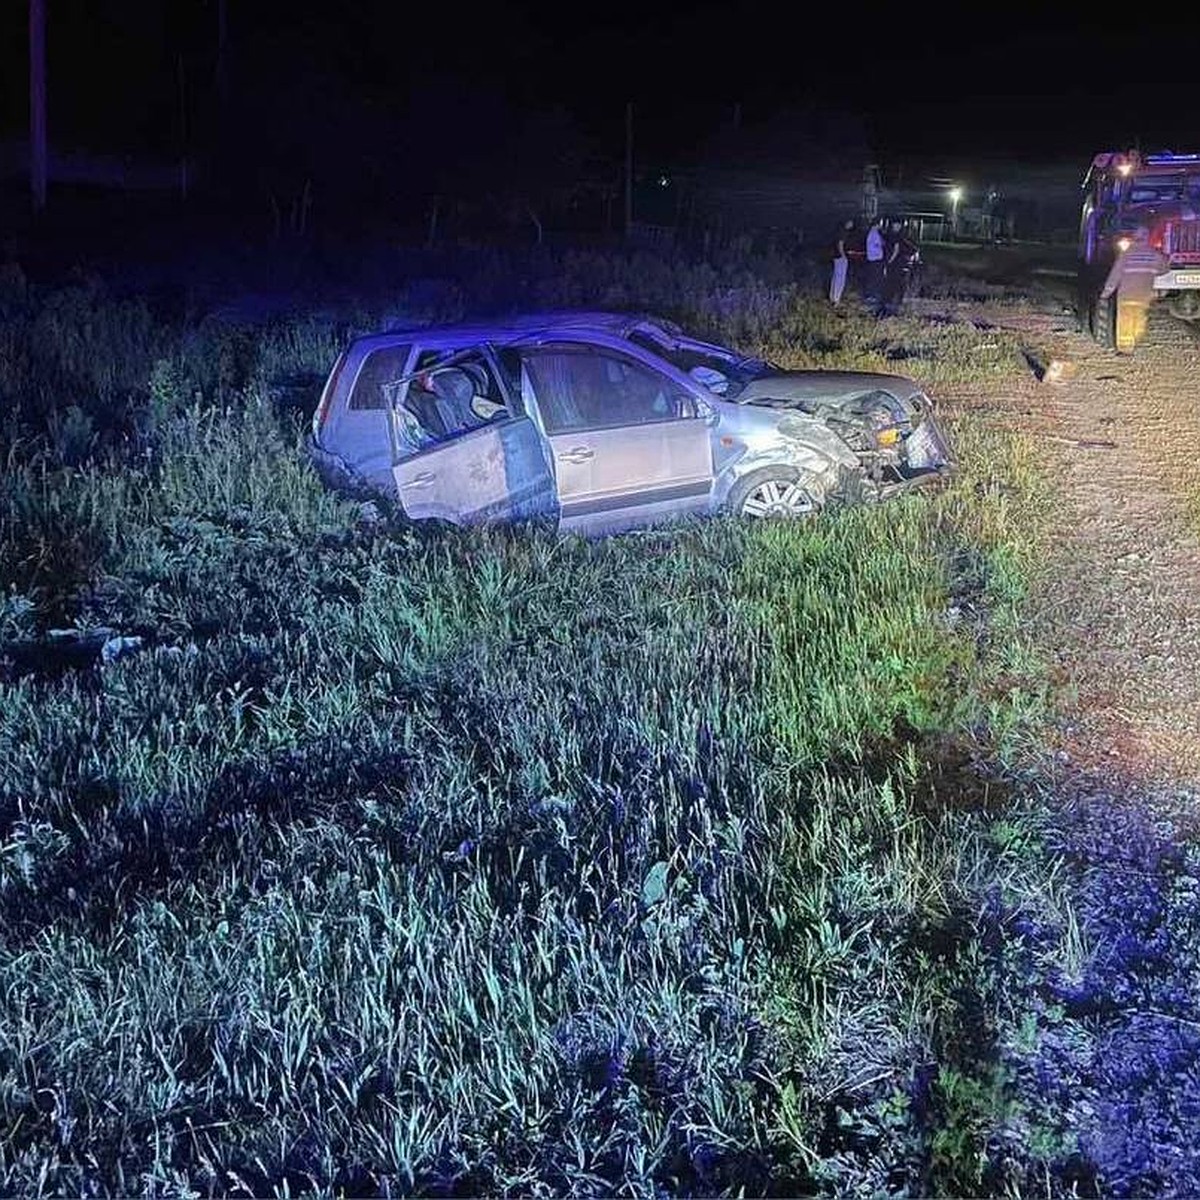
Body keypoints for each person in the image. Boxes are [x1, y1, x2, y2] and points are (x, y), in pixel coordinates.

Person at [828, 218, 855, 306]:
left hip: (836, 257)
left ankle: (832, 297)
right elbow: (840, 244)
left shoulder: (838, 231)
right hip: (840, 257)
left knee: (835, 277)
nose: (852, 224)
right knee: (840, 278)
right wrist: (843, 255)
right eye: (851, 222)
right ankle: (836, 299)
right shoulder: (843, 232)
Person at [864, 216, 886, 315]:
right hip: (875, 259)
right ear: (877, 224)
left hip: (874, 258)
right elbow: (880, 244)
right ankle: (871, 295)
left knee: (874, 277)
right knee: (875, 277)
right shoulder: (874, 233)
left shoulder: (873, 233)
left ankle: (871, 294)